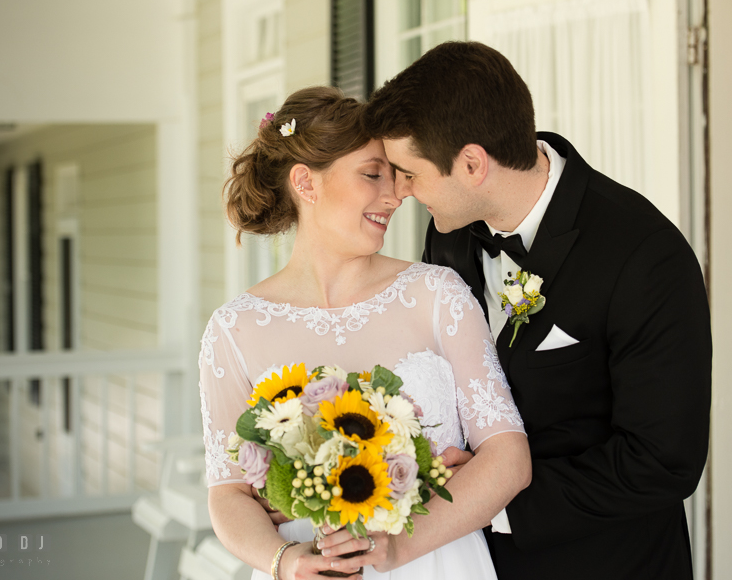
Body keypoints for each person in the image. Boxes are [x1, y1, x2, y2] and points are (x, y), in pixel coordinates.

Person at [362, 41, 712, 580]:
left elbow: (662, 462)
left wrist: (488, 498)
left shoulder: (645, 256)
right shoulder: (449, 233)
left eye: (409, 172)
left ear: (472, 163)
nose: (400, 191)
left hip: (608, 564)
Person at [199, 86, 531, 580]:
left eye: (397, 177)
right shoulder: (234, 330)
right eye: (372, 175)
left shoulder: (438, 295)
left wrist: (397, 549)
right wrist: (284, 561)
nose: (395, 195)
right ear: (306, 184)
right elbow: (227, 494)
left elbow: (508, 459)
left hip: (437, 562)